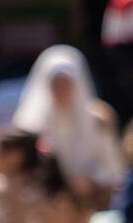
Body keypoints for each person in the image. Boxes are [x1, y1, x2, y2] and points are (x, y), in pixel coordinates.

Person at [12, 46, 125, 213]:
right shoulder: (29, 123)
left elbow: (114, 169)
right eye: (55, 85)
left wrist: (91, 179)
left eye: (66, 85)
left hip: (90, 203)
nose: (60, 92)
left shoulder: (98, 119)